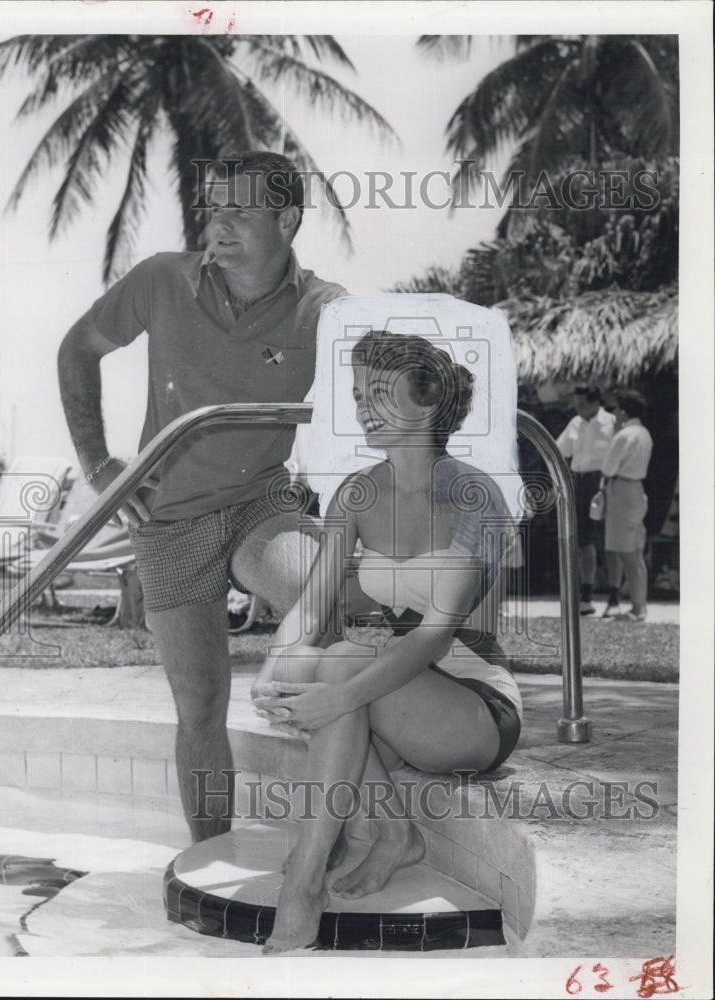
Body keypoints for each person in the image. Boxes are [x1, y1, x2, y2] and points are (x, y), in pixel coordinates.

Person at [57, 151, 346, 842]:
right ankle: (210, 856)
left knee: (323, 619)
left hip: (260, 503)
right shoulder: (162, 279)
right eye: (213, 210)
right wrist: (99, 465)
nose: (219, 225)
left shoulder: (327, 310)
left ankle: (351, 837)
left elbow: (378, 414)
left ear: (288, 219)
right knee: (201, 703)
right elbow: (77, 348)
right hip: (168, 517)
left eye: (240, 212)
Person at [252, 330, 522, 953]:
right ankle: (394, 834)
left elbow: (432, 638)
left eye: (379, 392)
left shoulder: (476, 497)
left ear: (427, 404)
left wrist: (331, 695)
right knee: (309, 661)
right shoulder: (355, 493)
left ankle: (304, 877)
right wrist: (274, 671)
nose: (363, 406)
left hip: (473, 704)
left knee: (340, 666)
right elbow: (314, 604)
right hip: (394, 690)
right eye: (357, 393)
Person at [556, 385, 617, 615]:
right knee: (584, 541)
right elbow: (559, 450)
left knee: (611, 539)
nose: (577, 408)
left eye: (581, 404)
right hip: (580, 483)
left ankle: (614, 598)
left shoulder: (612, 423)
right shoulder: (575, 423)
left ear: (595, 403)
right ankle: (586, 598)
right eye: (576, 403)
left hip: (604, 482)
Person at [600, 390, 653, 623]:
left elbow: (608, 469)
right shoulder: (644, 433)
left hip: (622, 490)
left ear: (623, 410)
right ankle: (640, 606)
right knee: (636, 553)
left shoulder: (624, 435)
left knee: (626, 552)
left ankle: (637, 609)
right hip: (637, 490)